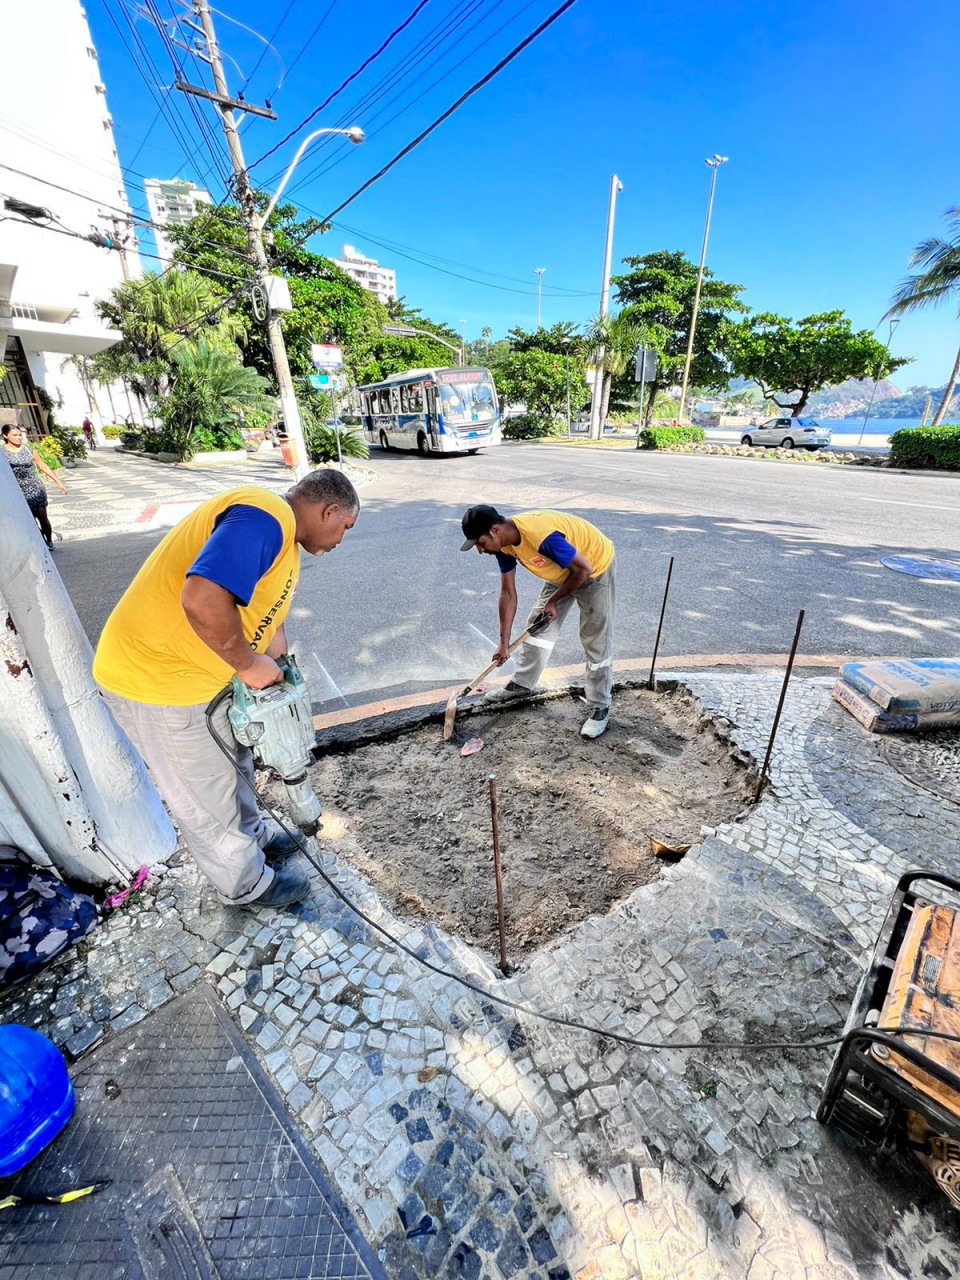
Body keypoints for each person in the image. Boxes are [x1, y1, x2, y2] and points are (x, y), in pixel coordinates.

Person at [92, 469, 360, 910]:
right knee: (203, 797)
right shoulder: (264, 514)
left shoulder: (282, 538)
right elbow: (202, 598)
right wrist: (248, 663)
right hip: (161, 682)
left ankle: (254, 837)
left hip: (203, 679)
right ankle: (245, 884)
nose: (339, 541)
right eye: (343, 528)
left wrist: (280, 664)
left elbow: (266, 615)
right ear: (328, 510)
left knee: (232, 768)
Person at [460, 504, 616, 739]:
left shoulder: (541, 537)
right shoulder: (505, 544)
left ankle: (600, 706)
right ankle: (522, 684)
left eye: (480, 543)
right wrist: (503, 643)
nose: (480, 550)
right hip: (563, 569)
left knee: (595, 639)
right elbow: (508, 594)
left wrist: (553, 601)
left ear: (494, 529)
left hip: (593, 569)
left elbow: (583, 569)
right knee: (538, 626)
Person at [2, 423, 68, 548]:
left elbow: (43, 466)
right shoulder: (2, 453)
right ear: (6, 436)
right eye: (14, 435)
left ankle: (49, 540)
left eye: (20, 435)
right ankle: (40, 541)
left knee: (42, 516)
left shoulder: (29, 450)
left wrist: (58, 482)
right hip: (17, 490)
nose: (18, 437)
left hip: (35, 487)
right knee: (28, 520)